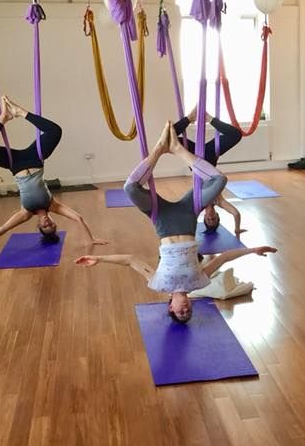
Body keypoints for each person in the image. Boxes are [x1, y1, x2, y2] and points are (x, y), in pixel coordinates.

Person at [75, 122, 276, 322]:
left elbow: (130, 260)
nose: (186, 309)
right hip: (188, 216)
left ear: (170, 307)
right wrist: (252, 250)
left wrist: (100, 259)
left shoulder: (159, 284)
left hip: (163, 221)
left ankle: (160, 149)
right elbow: (223, 258)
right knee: (219, 180)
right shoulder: (198, 282)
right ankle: (178, 150)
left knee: (130, 188)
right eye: (189, 312)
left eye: (181, 312)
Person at [0, 96, 106, 251]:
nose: (47, 223)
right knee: (55, 131)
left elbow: (4, 228)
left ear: (39, 226)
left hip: (14, 163)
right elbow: (78, 219)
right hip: (35, 158)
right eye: (52, 225)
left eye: (45, 227)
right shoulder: (53, 205)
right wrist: (91, 239)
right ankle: (21, 112)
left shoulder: (25, 213)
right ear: (54, 221)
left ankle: (3, 118)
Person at [174, 107, 246, 237]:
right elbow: (236, 213)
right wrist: (237, 229)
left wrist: (190, 235)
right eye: (214, 219)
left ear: (204, 217)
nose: (211, 217)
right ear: (218, 216)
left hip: (194, 158)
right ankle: (209, 118)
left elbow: (189, 222)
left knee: (168, 138)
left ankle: (190, 118)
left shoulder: (198, 206)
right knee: (236, 135)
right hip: (210, 157)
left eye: (208, 219)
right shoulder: (219, 201)